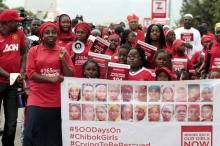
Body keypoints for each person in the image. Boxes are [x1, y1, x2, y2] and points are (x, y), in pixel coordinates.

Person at [24, 22, 74, 146]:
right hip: (37, 98)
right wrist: (50, 79)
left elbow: (70, 75)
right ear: (42, 36)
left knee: (54, 135)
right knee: (31, 132)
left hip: (57, 99)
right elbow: (30, 73)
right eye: (47, 32)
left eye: (53, 32)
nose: (51, 35)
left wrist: (62, 60)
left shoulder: (62, 51)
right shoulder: (33, 51)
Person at [0, 9, 27, 146]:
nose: (18, 23)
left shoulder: (19, 33)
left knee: (11, 122)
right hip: (1, 81)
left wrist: (21, 72)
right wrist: (10, 75)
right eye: (16, 21)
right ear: (7, 22)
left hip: (13, 83)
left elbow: (23, 53)